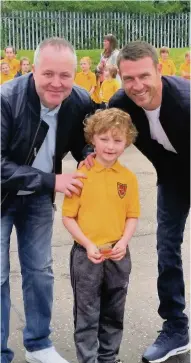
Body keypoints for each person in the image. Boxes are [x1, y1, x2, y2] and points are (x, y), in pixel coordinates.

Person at [83, 41, 190, 363]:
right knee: (166, 248)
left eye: (144, 76)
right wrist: (89, 155)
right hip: (174, 179)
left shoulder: (185, 102)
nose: (137, 86)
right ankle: (176, 328)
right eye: (129, 78)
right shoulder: (122, 101)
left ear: (160, 70)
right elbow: (101, 129)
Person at [1, 37, 94, 363]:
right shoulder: (6, 99)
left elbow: (88, 137)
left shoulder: (80, 99)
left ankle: (38, 344)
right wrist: (53, 180)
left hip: (38, 200)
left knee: (40, 271)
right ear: (33, 70)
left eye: (65, 75)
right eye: (48, 74)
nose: (57, 83)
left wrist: (88, 154)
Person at [62, 108, 140, 363]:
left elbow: (132, 216)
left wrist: (124, 242)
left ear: (127, 142)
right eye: (104, 139)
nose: (110, 146)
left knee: (114, 312)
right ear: (92, 138)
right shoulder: (81, 175)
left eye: (118, 140)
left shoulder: (128, 178)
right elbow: (68, 217)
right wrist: (87, 243)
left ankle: (109, 357)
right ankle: (88, 359)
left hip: (118, 254)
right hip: (86, 255)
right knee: (87, 313)